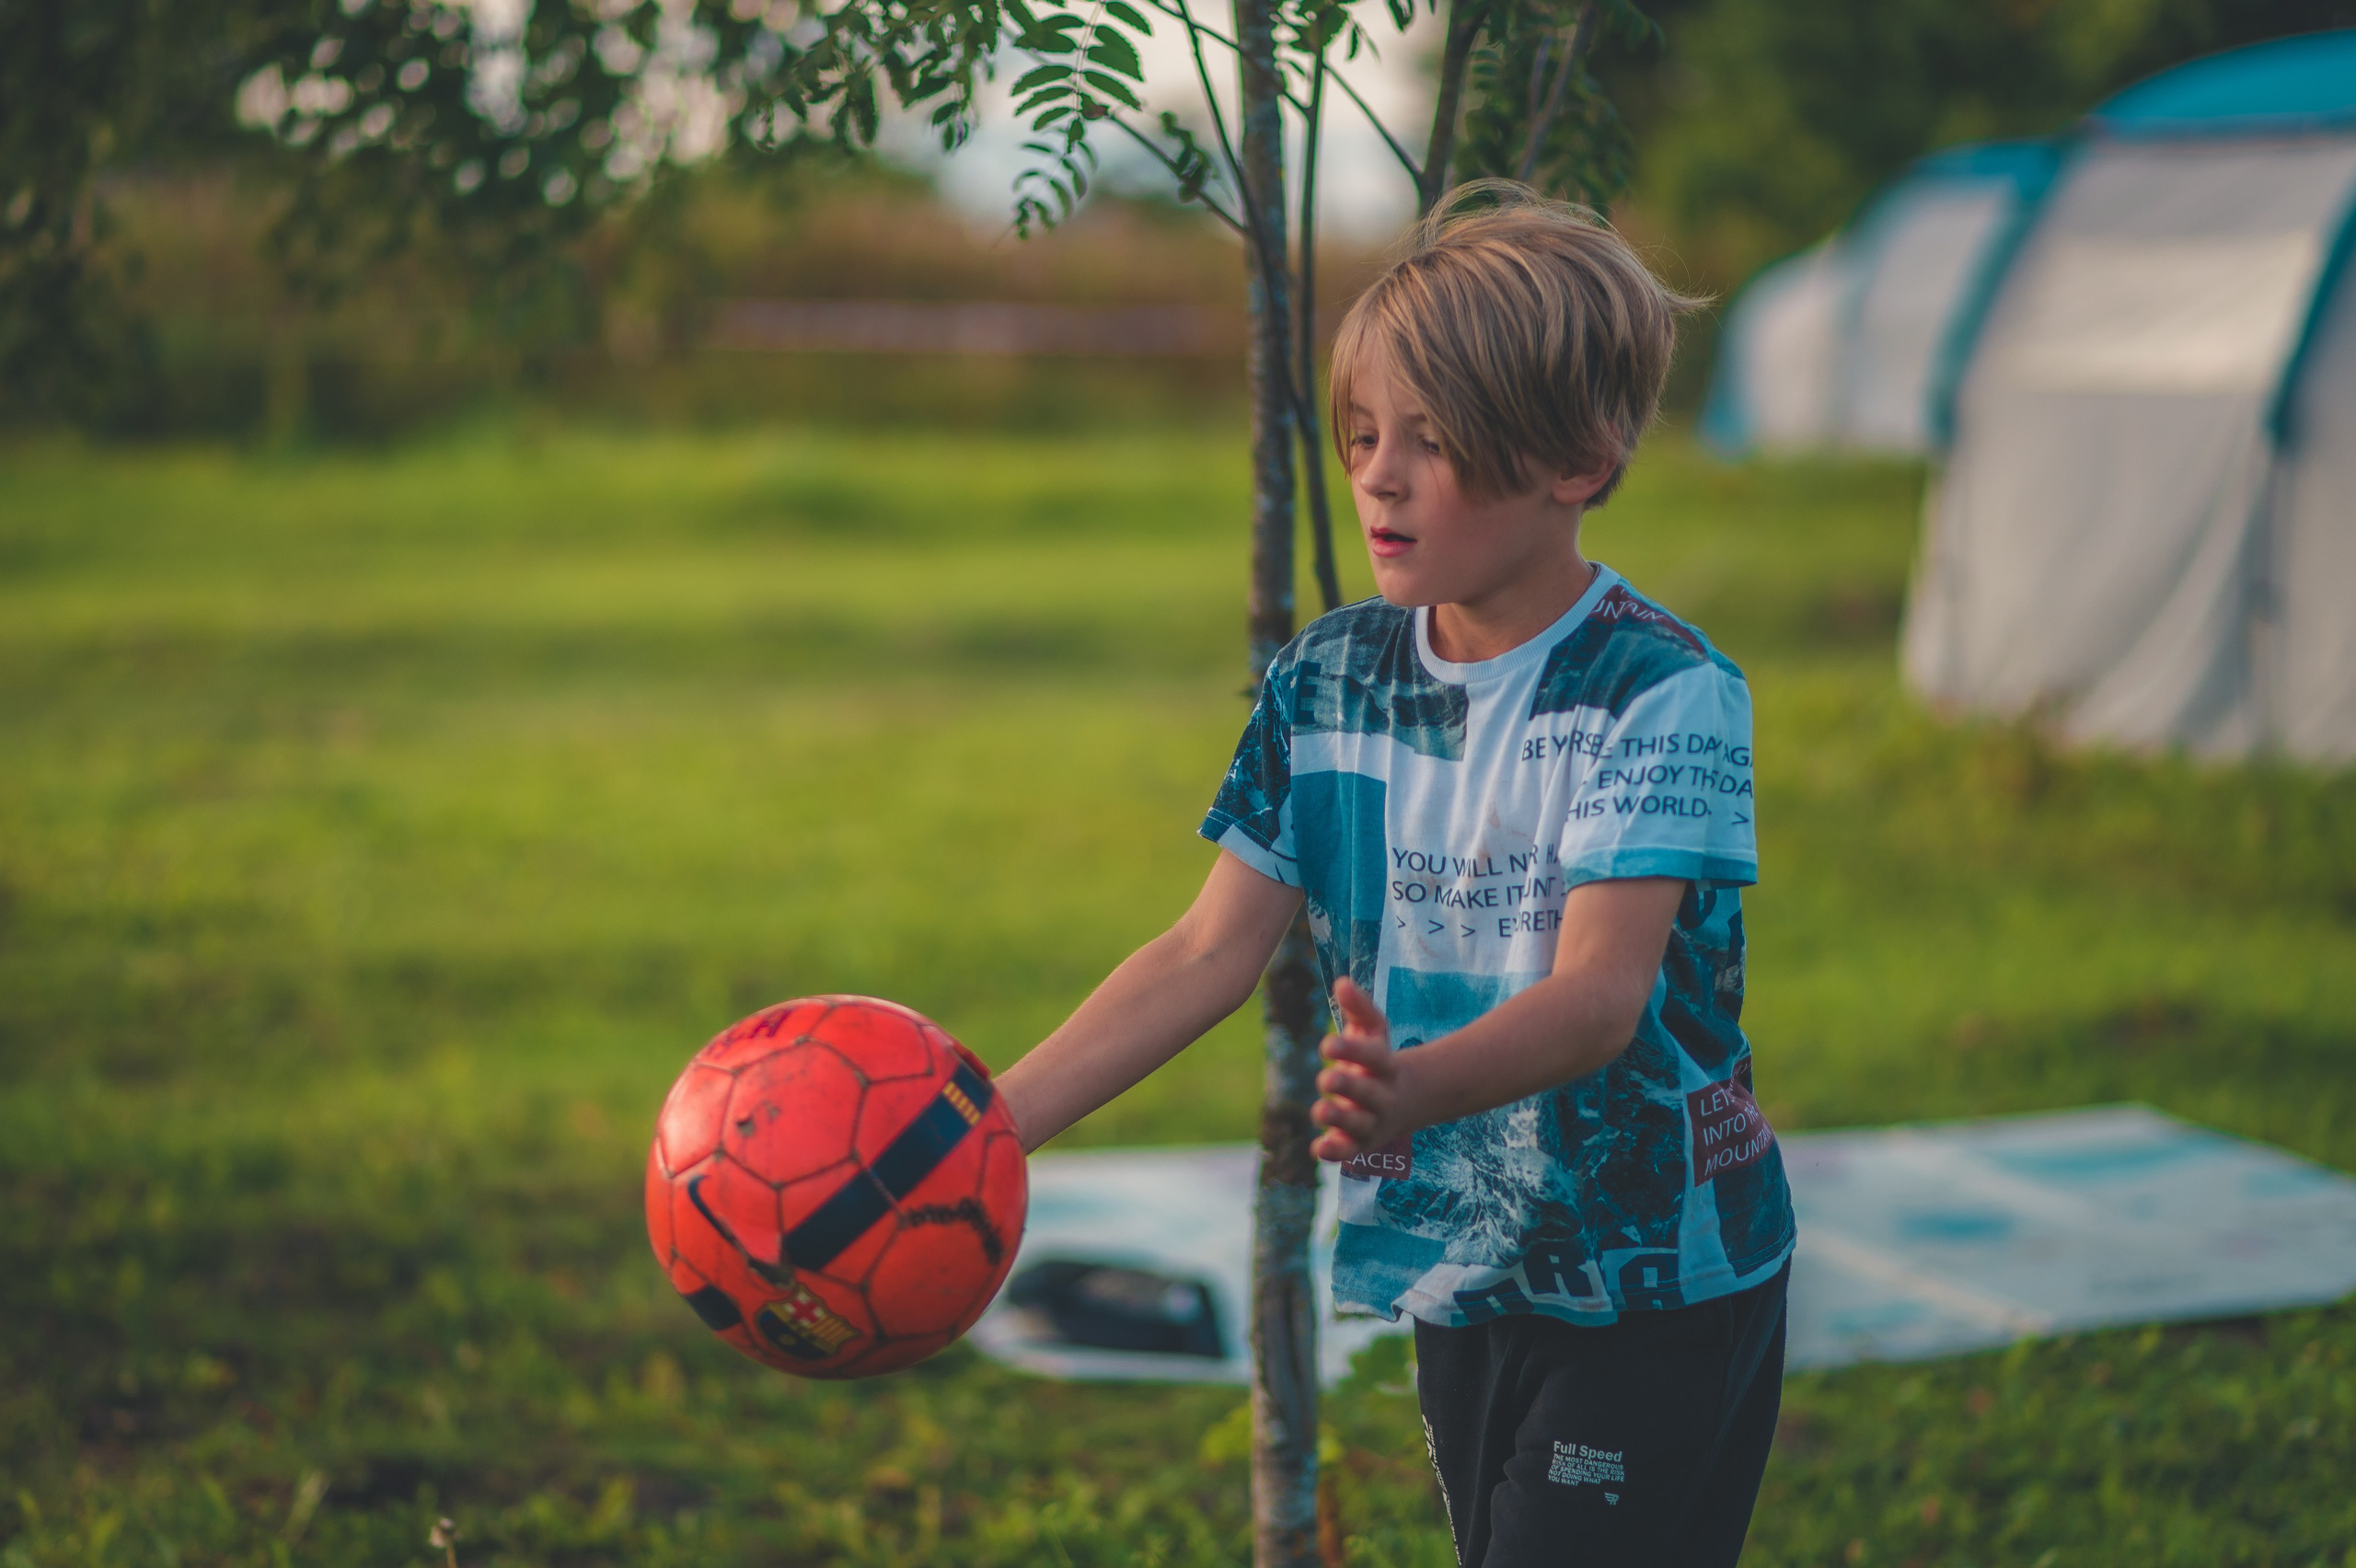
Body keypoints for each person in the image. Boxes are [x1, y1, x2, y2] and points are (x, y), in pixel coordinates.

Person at [996, 180, 1796, 1567]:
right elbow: (1205, 953)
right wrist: (987, 1130)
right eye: (1365, 434)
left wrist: (1410, 1089)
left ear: (1578, 459)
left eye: (1434, 442)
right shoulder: (1330, 681)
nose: (1378, 475)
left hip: (1654, 1282)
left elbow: (1604, 998)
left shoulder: (1660, 691)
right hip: (1465, 1269)